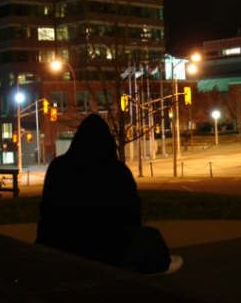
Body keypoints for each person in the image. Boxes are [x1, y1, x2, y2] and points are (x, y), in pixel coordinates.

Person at [36, 113, 180, 274]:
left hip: (62, 245)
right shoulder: (117, 172)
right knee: (150, 237)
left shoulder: (59, 167)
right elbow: (133, 215)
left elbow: (46, 212)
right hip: (110, 251)